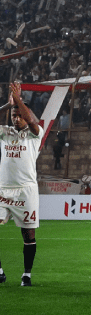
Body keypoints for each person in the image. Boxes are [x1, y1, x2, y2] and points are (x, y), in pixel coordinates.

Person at [0, 82, 41, 286]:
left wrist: (19, 101)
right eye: (13, 116)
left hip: (26, 191)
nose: (16, 118)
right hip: (2, 190)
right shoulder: (4, 133)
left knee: (28, 234)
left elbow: (32, 119)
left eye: (19, 115)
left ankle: (27, 274)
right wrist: (9, 105)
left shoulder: (35, 134)